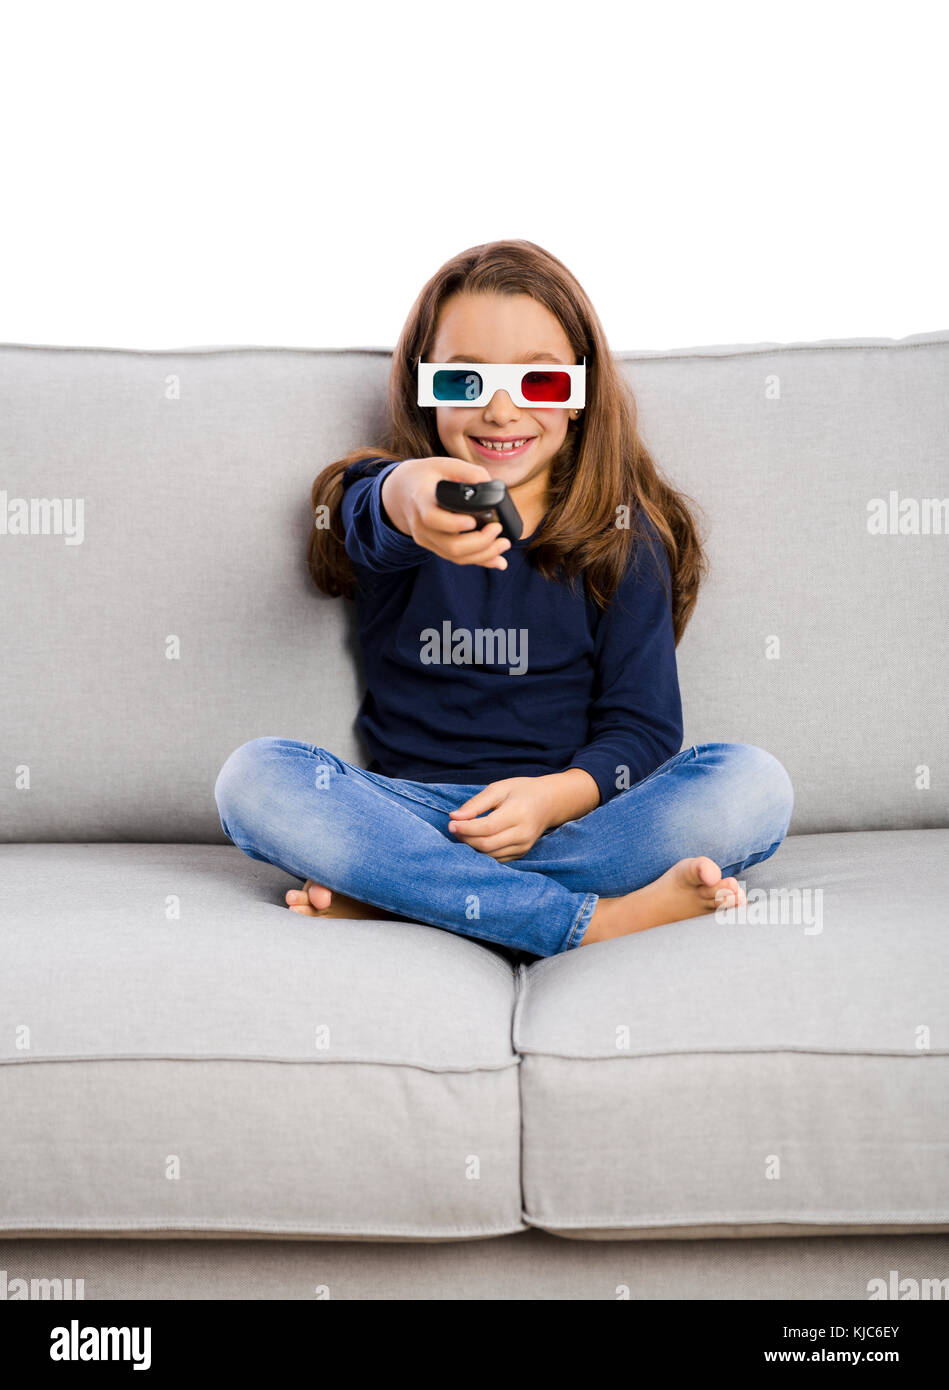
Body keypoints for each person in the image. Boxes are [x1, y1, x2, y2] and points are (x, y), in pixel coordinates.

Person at [214, 239, 794, 956]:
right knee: (256, 778)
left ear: (581, 397)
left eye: (539, 384)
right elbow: (374, 515)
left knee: (752, 785)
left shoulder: (623, 535)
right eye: (463, 383)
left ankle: (411, 899)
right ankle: (583, 920)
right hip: (415, 817)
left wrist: (553, 796)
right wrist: (409, 494)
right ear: (422, 389)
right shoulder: (394, 501)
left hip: (569, 820)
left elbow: (641, 730)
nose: (499, 409)